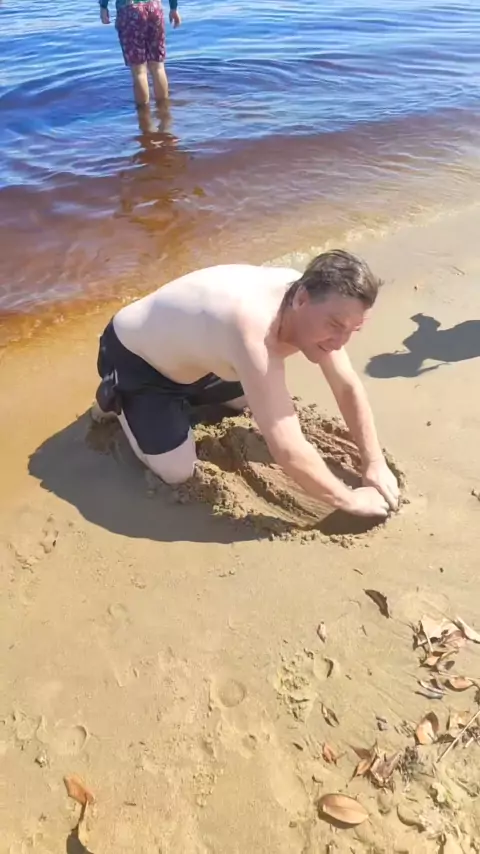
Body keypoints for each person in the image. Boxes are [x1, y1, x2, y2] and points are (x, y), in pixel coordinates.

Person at [94, 251, 399, 518]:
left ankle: (185, 400)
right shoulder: (254, 327)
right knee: (176, 471)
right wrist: (351, 501)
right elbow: (287, 448)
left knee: (247, 400)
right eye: (335, 326)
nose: (340, 342)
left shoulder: (316, 303)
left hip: (201, 360)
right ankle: (117, 402)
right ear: (301, 299)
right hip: (137, 361)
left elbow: (347, 387)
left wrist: (374, 462)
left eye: (353, 330)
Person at [99, 0, 181, 106]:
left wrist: (103, 6)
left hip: (130, 9)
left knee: (139, 71)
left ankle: (143, 112)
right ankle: (164, 109)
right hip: (154, 7)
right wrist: (173, 8)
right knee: (158, 67)